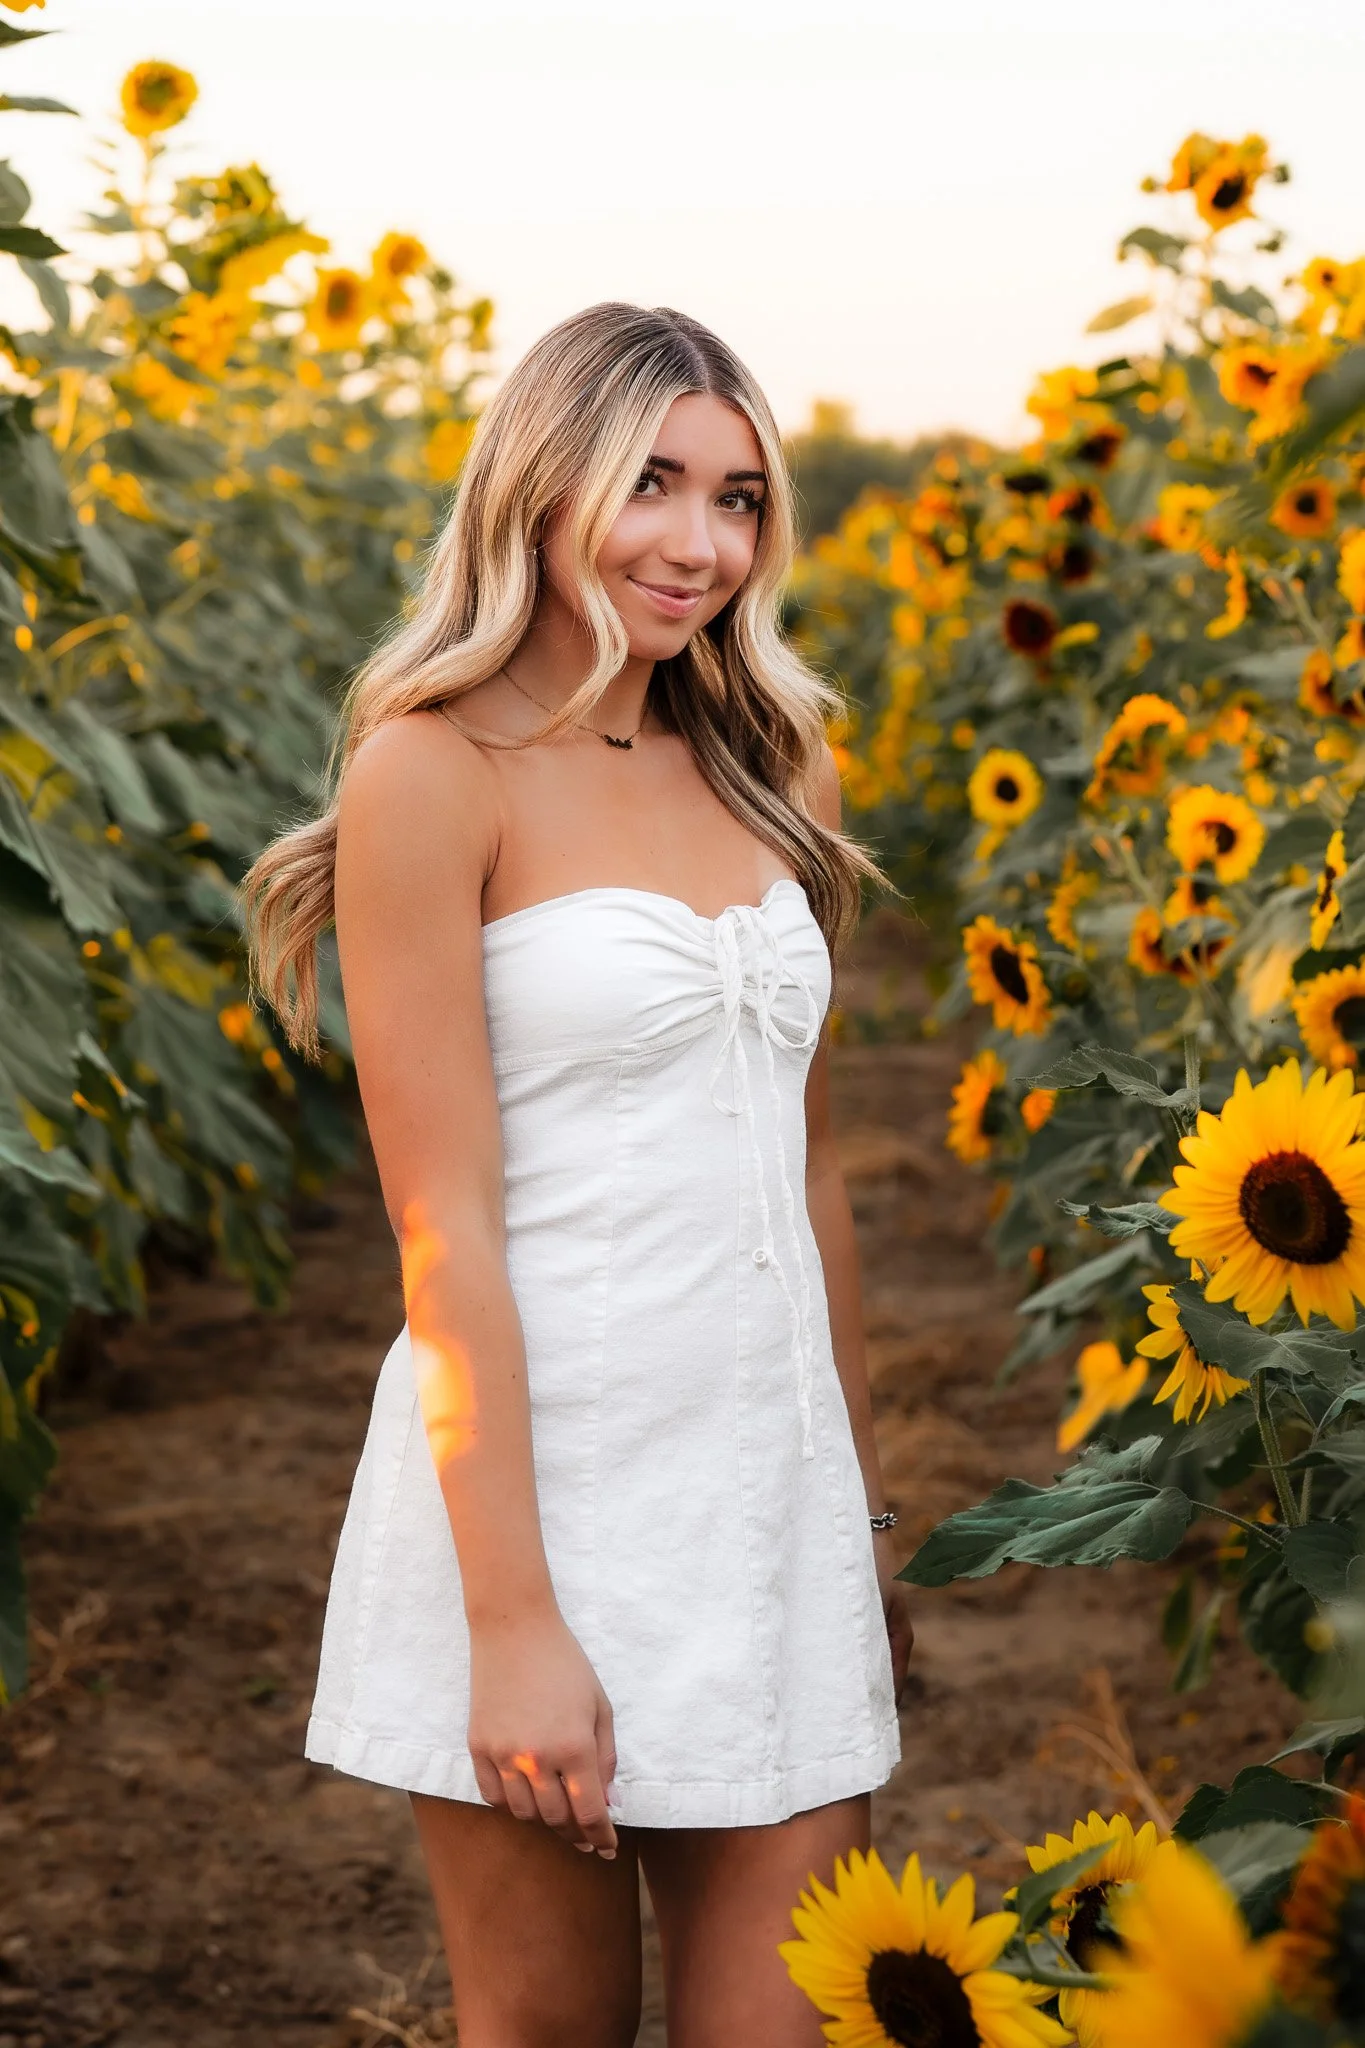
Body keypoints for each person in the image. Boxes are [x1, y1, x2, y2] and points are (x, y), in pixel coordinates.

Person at [242, 301, 913, 2048]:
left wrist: (855, 1519)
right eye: (652, 485)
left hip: (767, 1513)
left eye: (739, 499)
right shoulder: (432, 771)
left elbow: (810, 1175)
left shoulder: (779, 765)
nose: (701, 544)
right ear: (541, 487)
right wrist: (515, 1618)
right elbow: (443, 1226)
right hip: (540, 1508)